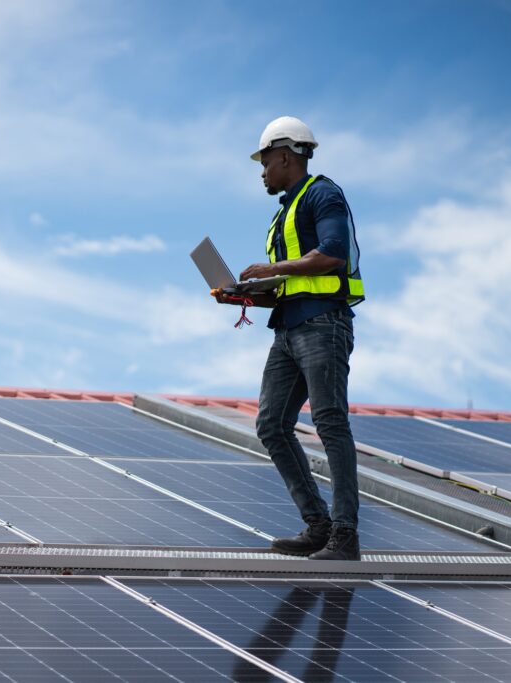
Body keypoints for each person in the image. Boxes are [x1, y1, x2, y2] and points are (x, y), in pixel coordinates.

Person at [215, 116, 365, 561]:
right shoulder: (284, 212)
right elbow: (292, 284)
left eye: (264, 162)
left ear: (285, 155)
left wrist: (273, 270)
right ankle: (318, 525)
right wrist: (244, 296)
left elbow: (333, 255)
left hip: (323, 324)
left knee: (330, 421)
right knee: (271, 425)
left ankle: (345, 534)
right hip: (288, 327)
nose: (261, 171)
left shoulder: (322, 193)